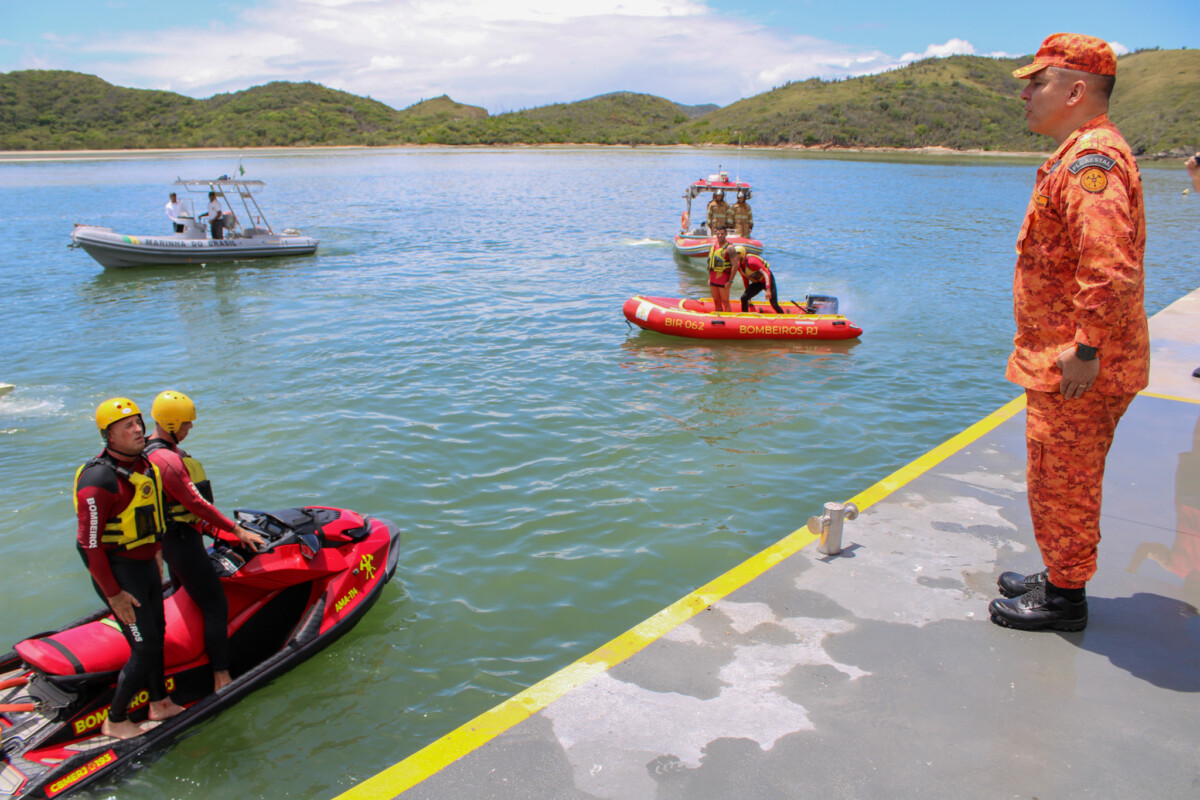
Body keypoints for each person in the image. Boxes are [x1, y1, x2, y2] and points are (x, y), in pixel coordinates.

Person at [988, 33, 1149, 632]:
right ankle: (1060, 572)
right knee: (1057, 473)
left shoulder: (1091, 163)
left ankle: (1065, 598)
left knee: (1065, 480)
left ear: (1076, 91)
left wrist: (1086, 348)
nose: (1026, 94)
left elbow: (1108, 267)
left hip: (1078, 366)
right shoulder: (1080, 154)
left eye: (1039, 82)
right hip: (1065, 358)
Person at [75, 398, 185, 739]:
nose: (138, 430)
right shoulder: (98, 479)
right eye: (127, 426)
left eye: (139, 422)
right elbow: (88, 545)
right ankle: (116, 719)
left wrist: (156, 554)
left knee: (158, 634)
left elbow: (150, 515)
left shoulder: (142, 466)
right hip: (119, 574)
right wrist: (114, 595)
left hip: (145, 566)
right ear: (108, 436)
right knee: (145, 647)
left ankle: (159, 702)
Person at [144, 390, 264, 692]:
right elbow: (197, 504)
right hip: (183, 542)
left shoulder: (148, 450)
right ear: (171, 424)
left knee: (185, 594)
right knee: (215, 605)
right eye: (186, 423)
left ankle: (188, 652)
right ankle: (221, 677)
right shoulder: (167, 460)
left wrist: (215, 531)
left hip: (169, 541)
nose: (191, 427)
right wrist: (236, 530)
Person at [731, 246, 783, 314]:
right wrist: (748, 292)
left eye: (737, 254)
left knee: (774, 304)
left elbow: (767, 273)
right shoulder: (739, 266)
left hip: (768, 280)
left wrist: (768, 289)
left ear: (742, 254)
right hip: (758, 283)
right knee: (744, 298)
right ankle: (745, 316)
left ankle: (783, 316)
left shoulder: (752, 262)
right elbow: (745, 279)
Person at [706, 227, 735, 312]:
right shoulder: (713, 246)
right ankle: (719, 319)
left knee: (725, 302)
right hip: (713, 278)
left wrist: (730, 281)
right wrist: (709, 278)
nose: (720, 235)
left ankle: (728, 319)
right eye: (718, 234)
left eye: (722, 233)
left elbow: (735, 265)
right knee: (716, 301)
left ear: (726, 234)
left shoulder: (730, 248)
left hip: (724, 279)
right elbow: (711, 263)